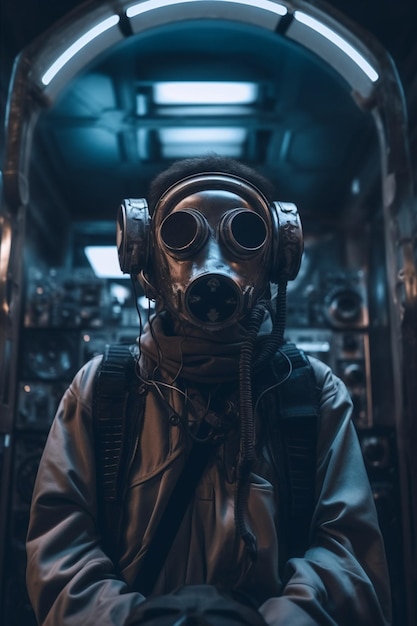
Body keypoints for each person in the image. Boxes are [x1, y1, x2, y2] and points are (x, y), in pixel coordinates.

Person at [26, 154, 391, 626]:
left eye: (245, 235)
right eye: (181, 236)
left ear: (278, 255)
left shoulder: (313, 393)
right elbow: (59, 550)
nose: (212, 261)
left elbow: (351, 554)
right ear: (144, 256)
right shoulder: (100, 390)